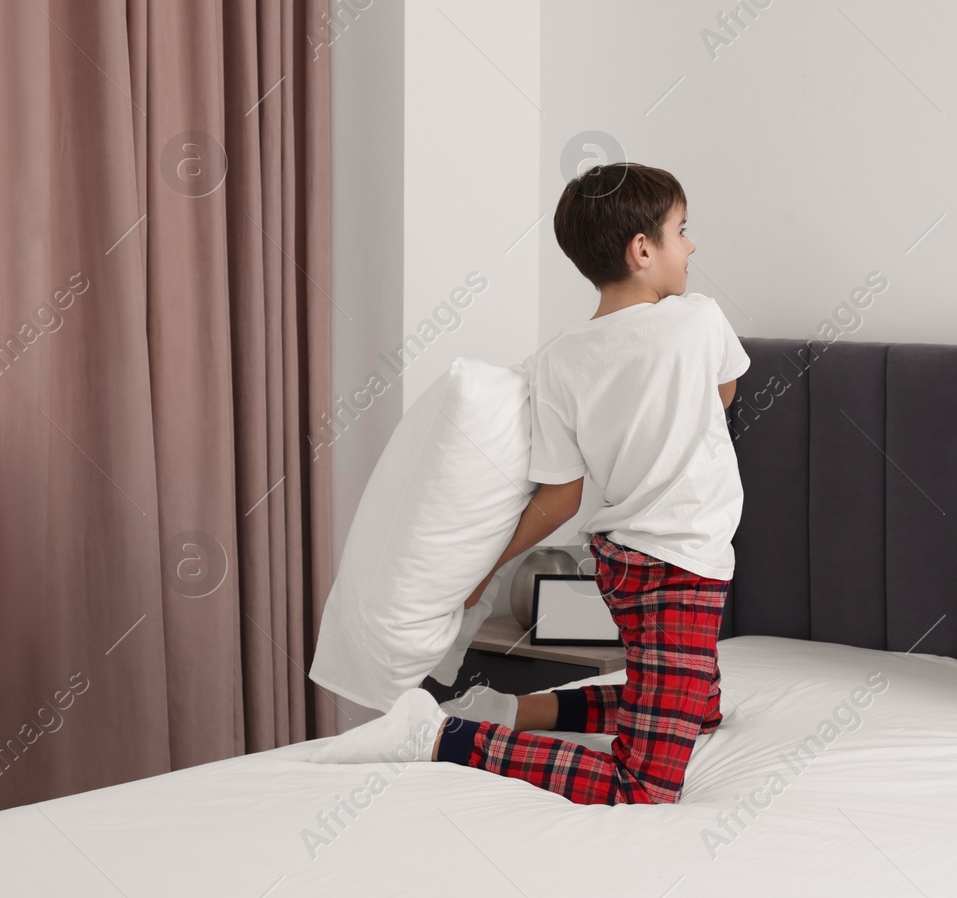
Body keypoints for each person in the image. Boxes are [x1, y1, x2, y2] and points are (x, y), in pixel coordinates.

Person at [311, 162, 751, 805]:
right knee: (646, 786)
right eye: (682, 232)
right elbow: (728, 392)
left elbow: (560, 497)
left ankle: (511, 712)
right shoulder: (698, 318)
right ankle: (439, 736)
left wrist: (489, 568)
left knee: (701, 710)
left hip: (622, 561)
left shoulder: (559, 358)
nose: (691, 247)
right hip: (679, 567)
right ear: (643, 250)